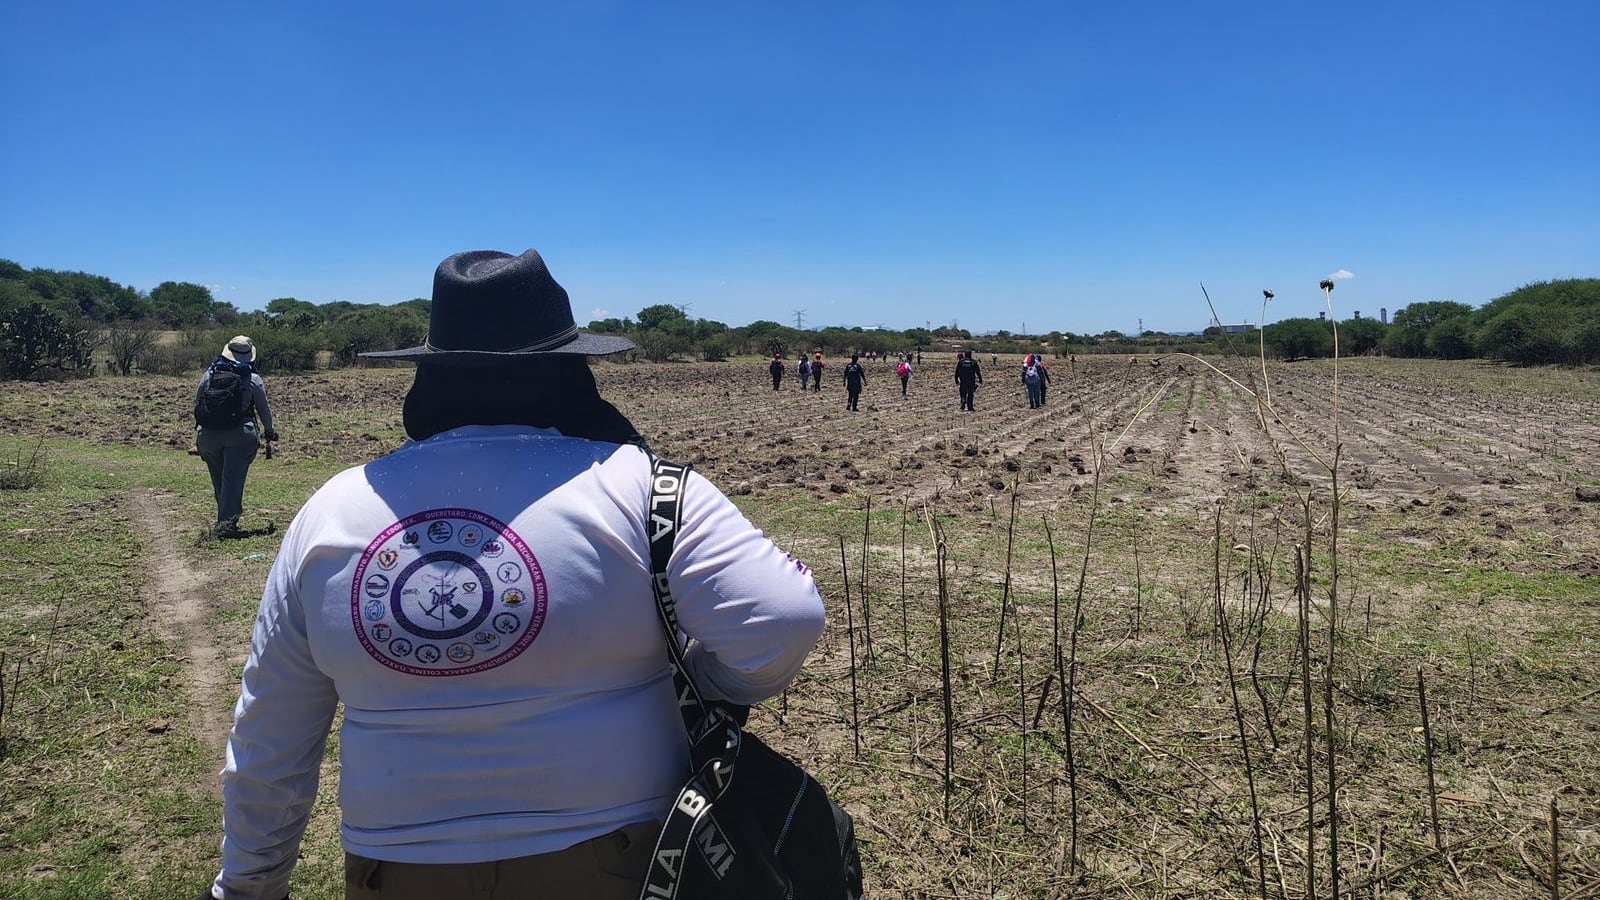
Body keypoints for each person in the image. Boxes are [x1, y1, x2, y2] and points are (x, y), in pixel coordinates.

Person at [201, 249, 827, 900]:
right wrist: (699, 688)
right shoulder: (648, 490)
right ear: (572, 372)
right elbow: (783, 618)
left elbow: (269, 737)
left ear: (430, 375)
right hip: (628, 863)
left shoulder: (333, 509)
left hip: (398, 873)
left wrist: (246, 886)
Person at [194, 335, 277, 538]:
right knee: (232, 479)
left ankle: (225, 518)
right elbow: (263, 409)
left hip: (208, 435)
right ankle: (226, 525)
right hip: (240, 434)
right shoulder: (252, 378)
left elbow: (198, 403)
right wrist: (269, 430)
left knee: (219, 477)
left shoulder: (210, 373)